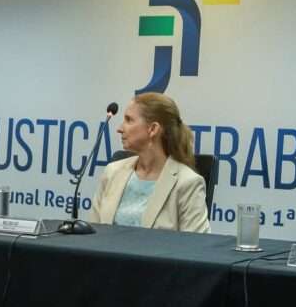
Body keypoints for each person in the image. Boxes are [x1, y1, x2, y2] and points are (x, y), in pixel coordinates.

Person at [87, 92, 211, 233]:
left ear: (153, 129)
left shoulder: (187, 183)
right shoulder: (112, 171)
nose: (120, 129)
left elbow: (196, 247)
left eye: (129, 120)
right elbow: (92, 234)